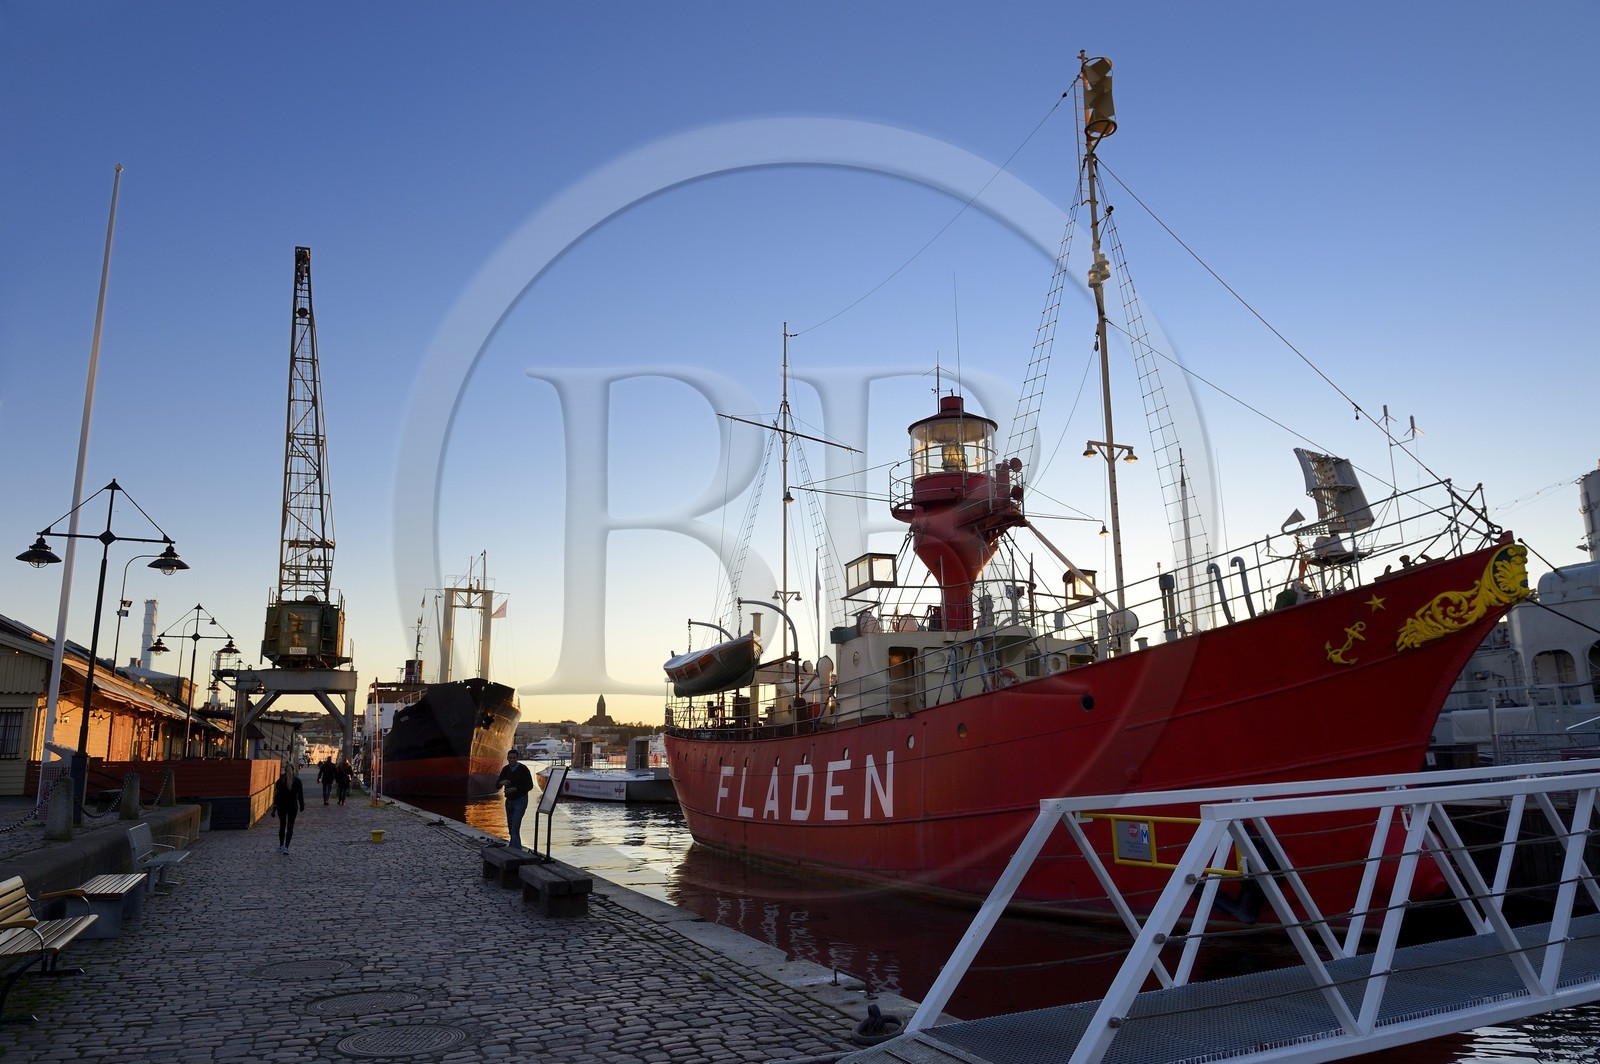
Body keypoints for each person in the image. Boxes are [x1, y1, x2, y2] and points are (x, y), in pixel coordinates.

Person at [495, 747, 535, 852]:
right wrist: (501, 783)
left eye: (514, 758)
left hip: (520, 800)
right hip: (509, 801)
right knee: (511, 827)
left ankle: (514, 850)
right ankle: (516, 849)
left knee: (515, 827)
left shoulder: (523, 769)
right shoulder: (505, 769)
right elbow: (496, 785)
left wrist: (515, 789)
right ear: (507, 758)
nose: (512, 759)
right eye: (510, 758)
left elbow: (530, 785)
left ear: (517, 758)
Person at [270, 763, 305, 854]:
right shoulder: (297, 781)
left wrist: (274, 807)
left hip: (281, 806)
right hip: (292, 806)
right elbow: (300, 795)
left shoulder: (280, 781)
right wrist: (302, 805)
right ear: (293, 770)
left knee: (282, 825)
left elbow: (277, 796)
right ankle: (286, 847)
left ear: (284, 770)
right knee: (290, 826)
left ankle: (281, 845)